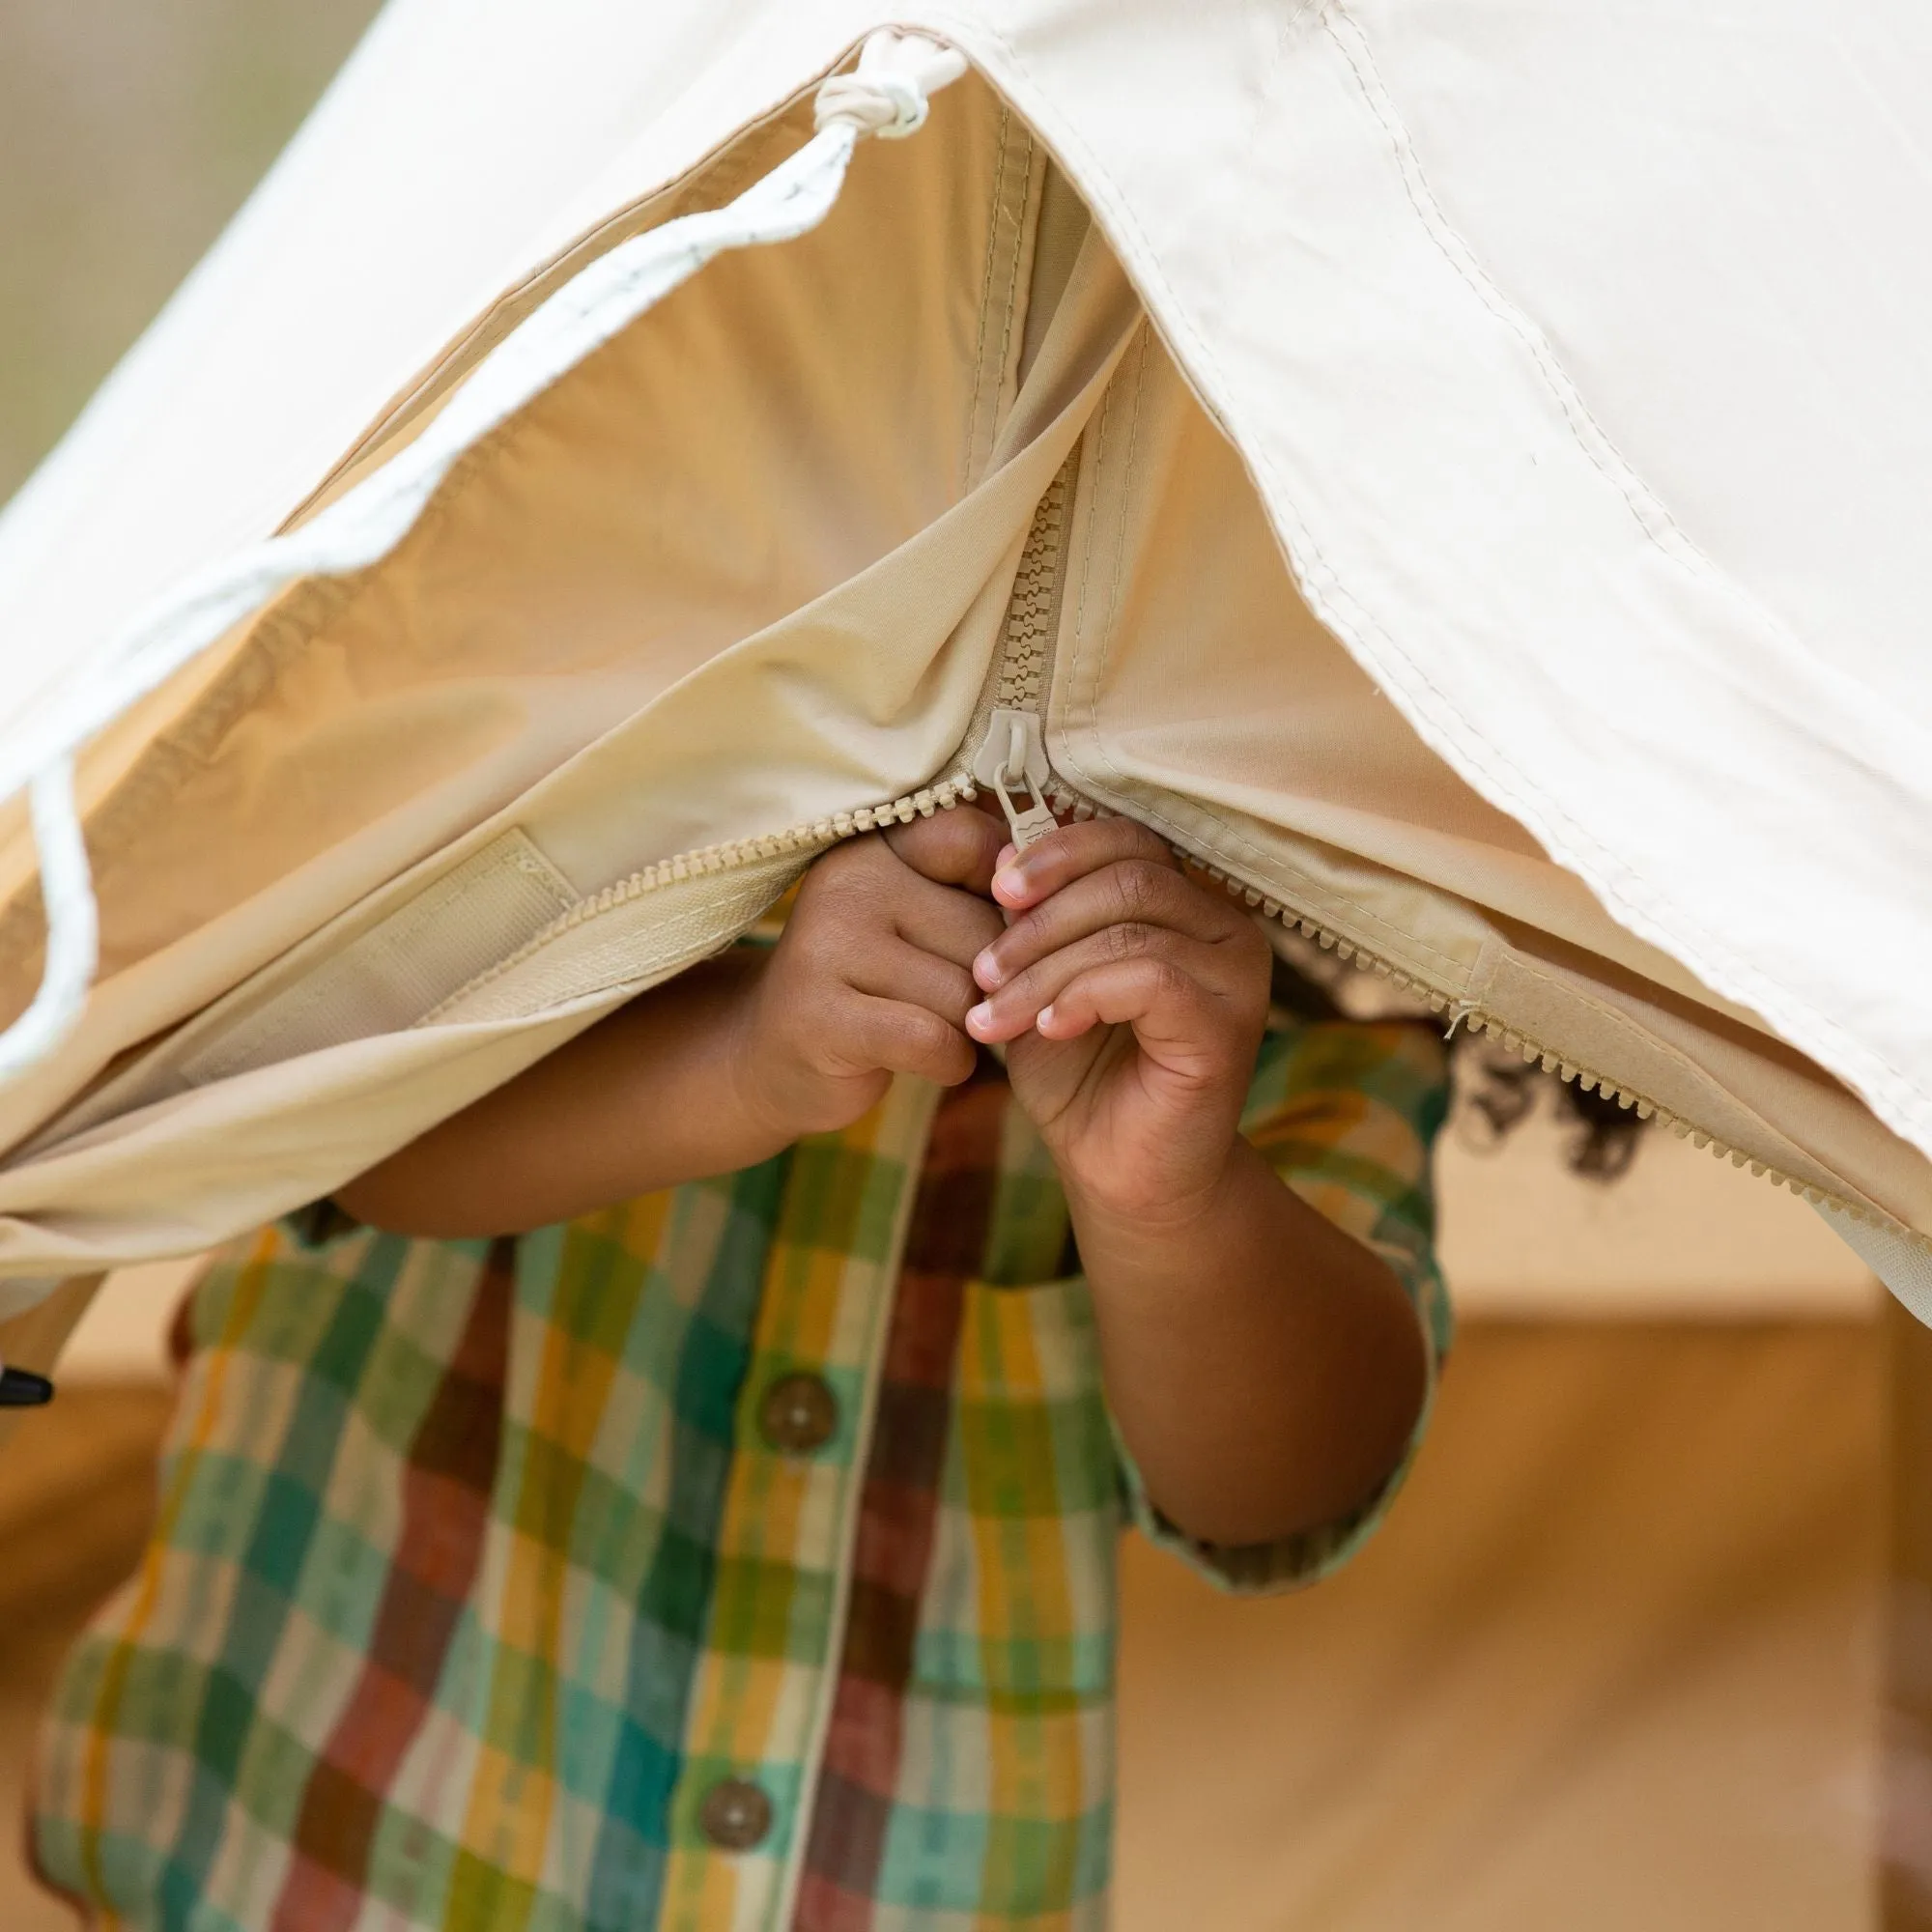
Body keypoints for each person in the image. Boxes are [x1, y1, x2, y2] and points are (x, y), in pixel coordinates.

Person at [33, 801, 1449, 1929]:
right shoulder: (527, 814)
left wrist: (1167, 1201)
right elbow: (351, 1141)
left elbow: (1282, 1487)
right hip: (297, 1851)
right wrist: (744, 1056)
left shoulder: (1265, 1054)